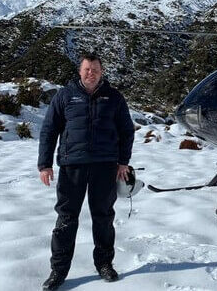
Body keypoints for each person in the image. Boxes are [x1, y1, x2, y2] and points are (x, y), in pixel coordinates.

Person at [38, 53, 135, 291]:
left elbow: (126, 130)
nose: (91, 73)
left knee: (103, 217)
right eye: (87, 69)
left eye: (95, 69)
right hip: (72, 165)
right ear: (80, 72)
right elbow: (49, 130)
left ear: (102, 72)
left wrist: (123, 161)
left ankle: (104, 263)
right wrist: (45, 164)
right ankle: (58, 271)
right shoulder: (65, 96)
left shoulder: (113, 97)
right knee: (66, 218)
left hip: (105, 165)